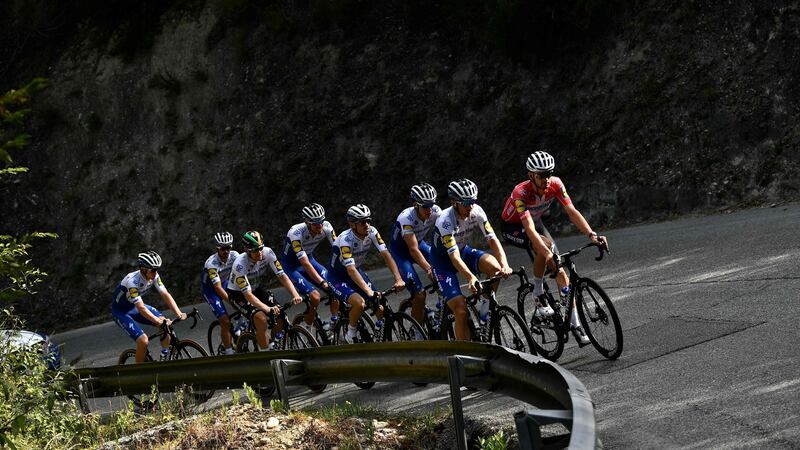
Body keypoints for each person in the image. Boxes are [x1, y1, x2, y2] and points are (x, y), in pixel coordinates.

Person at [500, 150, 609, 346]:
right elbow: (529, 229)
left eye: (549, 173)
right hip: (514, 227)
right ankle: (537, 293)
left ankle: (576, 326)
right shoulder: (520, 192)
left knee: (562, 274)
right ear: (531, 176)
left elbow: (572, 211)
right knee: (545, 247)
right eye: (542, 175)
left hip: (536, 222)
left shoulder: (556, 184)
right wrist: (546, 251)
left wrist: (592, 234)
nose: (547, 179)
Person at [429, 179, 513, 341]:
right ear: (455, 202)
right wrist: (470, 277)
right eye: (466, 203)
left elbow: (493, 240)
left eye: (473, 201)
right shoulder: (445, 221)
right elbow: (453, 257)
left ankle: (484, 310)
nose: (470, 206)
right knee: (461, 311)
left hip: (463, 252)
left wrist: (505, 264)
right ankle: (465, 354)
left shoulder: (477, 211)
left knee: (495, 269)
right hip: (442, 262)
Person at [326, 204, 406, 344]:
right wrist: (368, 291)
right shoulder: (345, 239)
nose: (367, 225)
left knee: (379, 303)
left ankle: (379, 334)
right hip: (337, 276)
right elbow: (350, 269)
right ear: (352, 224)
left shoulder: (372, 232)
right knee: (360, 303)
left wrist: (398, 278)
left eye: (369, 220)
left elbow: (386, 255)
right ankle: (350, 334)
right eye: (363, 222)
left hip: (356, 271)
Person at [226, 231, 302, 350]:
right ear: (247, 250)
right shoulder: (240, 264)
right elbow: (248, 295)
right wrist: (266, 308)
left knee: (280, 314)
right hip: (238, 294)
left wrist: (295, 294)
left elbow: (282, 276)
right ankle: (266, 354)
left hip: (255, 288)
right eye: (255, 250)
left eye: (260, 248)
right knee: (261, 318)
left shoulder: (268, 252)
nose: (259, 253)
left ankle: (274, 345)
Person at [111, 251, 187, 363]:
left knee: (165, 324)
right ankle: (140, 375)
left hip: (134, 306)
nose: (156, 273)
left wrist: (178, 313)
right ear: (143, 269)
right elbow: (141, 308)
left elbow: (165, 294)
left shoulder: (154, 275)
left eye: (157, 269)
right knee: (143, 341)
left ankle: (164, 356)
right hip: (121, 312)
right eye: (153, 270)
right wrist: (157, 321)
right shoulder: (132, 281)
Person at [389, 183, 441, 326]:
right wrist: (428, 268)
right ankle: (417, 331)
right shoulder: (406, 217)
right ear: (415, 205)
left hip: (419, 244)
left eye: (431, 204)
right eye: (425, 206)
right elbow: (412, 249)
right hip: (401, 252)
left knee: (441, 271)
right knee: (419, 295)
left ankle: (440, 310)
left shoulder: (436, 212)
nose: (429, 209)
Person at [280, 203, 338, 332]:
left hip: (310, 260)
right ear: (307, 223)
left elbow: (339, 251)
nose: (320, 226)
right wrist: (322, 282)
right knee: (315, 297)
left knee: (335, 286)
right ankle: (309, 326)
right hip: (292, 266)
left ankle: (335, 322)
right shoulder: (295, 232)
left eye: (322, 222)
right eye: (316, 224)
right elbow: (305, 263)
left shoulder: (327, 227)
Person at [201, 232, 240, 355]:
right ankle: (228, 351)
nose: (226, 251)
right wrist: (232, 301)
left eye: (228, 247)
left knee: (245, 307)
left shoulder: (235, 256)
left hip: (225, 283)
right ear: (217, 248)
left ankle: (239, 331)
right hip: (211, 290)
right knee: (225, 321)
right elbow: (217, 288)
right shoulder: (212, 263)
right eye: (223, 248)